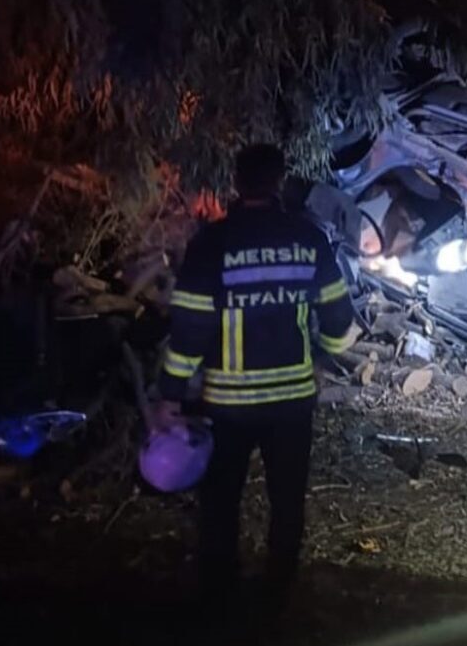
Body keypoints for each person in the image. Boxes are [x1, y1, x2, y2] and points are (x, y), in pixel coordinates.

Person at [157, 144, 357, 608]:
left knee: (221, 498)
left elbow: (189, 328)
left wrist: (170, 394)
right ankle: (279, 589)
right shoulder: (308, 239)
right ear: (280, 181)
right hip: (291, 402)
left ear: (235, 181)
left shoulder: (212, 244)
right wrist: (325, 357)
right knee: (287, 499)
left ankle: (218, 589)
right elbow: (338, 315)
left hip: (229, 405)